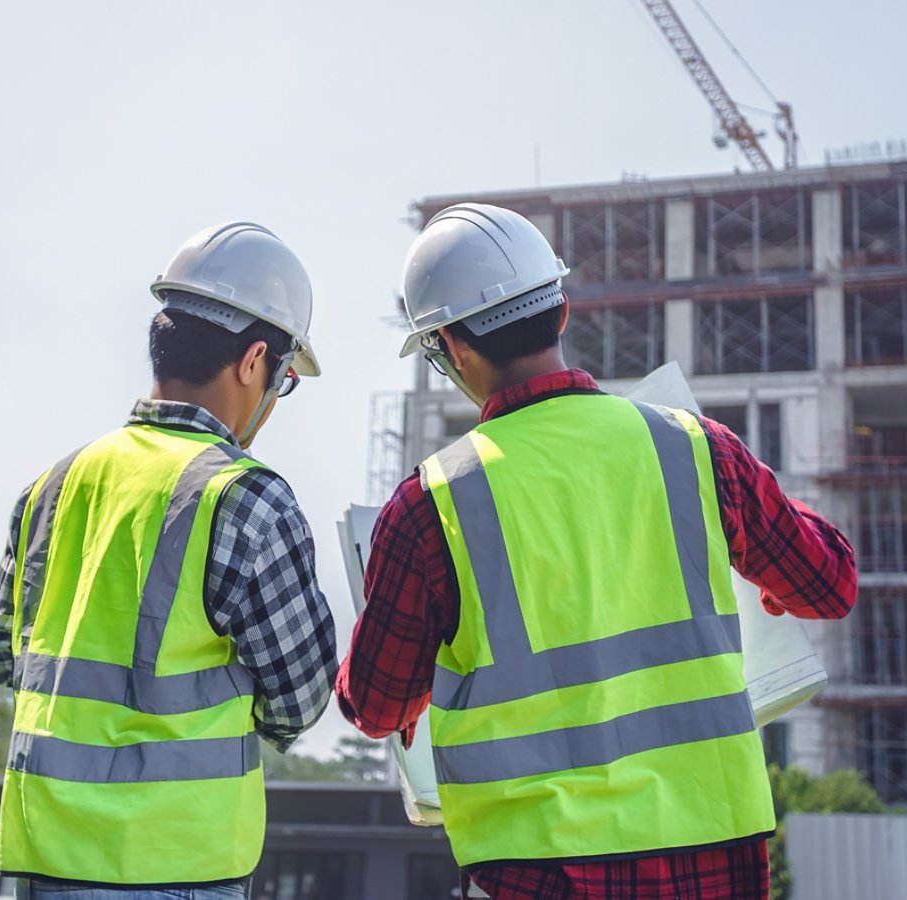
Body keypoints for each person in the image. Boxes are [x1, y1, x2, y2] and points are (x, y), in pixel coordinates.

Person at [336, 203, 857, 899]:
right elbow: (829, 584)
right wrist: (763, 577)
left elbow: (375, 705)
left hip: (538, 866)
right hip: (712, 852)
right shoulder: (697, 448)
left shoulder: (431, 507)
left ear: (452, 348)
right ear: (561, 311)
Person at [0, 222, 338, 897]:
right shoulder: (244, 497)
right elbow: (301, 698)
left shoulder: (52, 487)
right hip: (177, 866)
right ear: (256, 360)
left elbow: (3, 656)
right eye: (284, 380)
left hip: (43, 858)